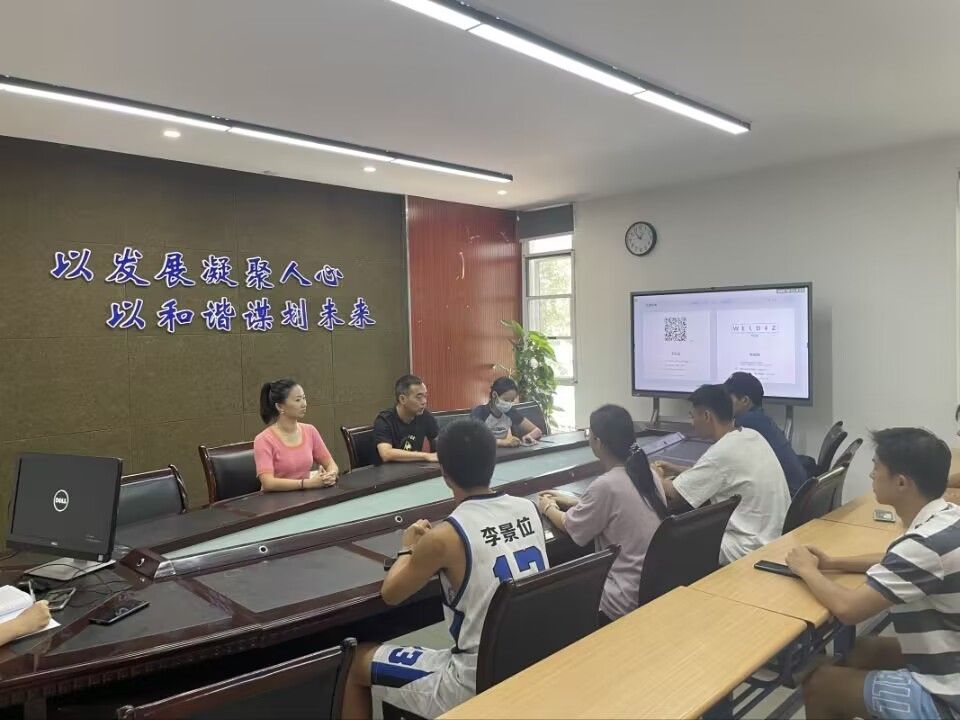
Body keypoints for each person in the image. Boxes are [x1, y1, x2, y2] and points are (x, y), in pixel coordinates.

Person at [343, 420, 549, 719]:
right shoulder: (528, 509)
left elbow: (391, 594)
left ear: (445, 473)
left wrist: (408, 547)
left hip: (472, 681)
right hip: (528, 663)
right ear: (493, 462)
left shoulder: (445, 536)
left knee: (354, 663)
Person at [786, 428, 959, 720]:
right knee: (864, 650)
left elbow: (849, 610)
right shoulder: (947, 517)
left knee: (819, 685)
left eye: (877, 468)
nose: (871, 475)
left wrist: (806, 570)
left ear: (901, 482)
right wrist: (834, 561)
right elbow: (896, 561)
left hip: (950, 696)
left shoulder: (922, 547)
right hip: (950, 651)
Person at [537, 404, 666, 623]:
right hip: (652, 587)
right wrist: (575, 501)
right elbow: (619, 505)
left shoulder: (606, 486)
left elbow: (570, 525)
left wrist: (548, 507)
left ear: (597, 441)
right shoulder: (648, 474)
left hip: (621, 598)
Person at [655, 384, 789, 564]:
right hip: (776, 536)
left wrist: (655, 474)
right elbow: (721, 476)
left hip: (749, 546)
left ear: (706, 416)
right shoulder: (750, 435)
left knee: (675, 541)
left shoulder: (721, 453)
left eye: (692, 416)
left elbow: (675, 493)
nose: (692, 423)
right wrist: (676, 468)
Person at [724, 372, 808, 496]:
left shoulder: (747, 423)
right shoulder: (758, 418)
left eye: (727, 399)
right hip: (796, 492)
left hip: (788, 496)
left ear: (745, 400)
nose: (723, 403)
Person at [253, 379, 338, 492]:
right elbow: (268, 483)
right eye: (298, 400)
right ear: (280, 407)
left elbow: (330, 464)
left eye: (304, 398)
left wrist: (331, 474)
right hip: (275, 500)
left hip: (304, 497)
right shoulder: (263, 439)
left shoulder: (310, 430)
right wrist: (307, 483)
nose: (304, 404)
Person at [374, 375, 440, 463]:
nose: (424, 401)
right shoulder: (384, 420)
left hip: (414, 468)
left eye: (425, 396)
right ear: (402, 399)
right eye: (419, 397)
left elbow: (439, 440)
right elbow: (386, 454)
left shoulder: (425, 416)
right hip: (388, 470)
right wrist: (426, 456)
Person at [470, 377, 543, 448]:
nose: (509, 404)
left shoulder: (510, 412)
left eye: (512, 400)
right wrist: (503, 442)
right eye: (506, 400)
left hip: (506, 454)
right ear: (494, 395)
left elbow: (537, 431)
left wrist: (529, 436)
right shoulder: (480, 412)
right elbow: (476, 439)